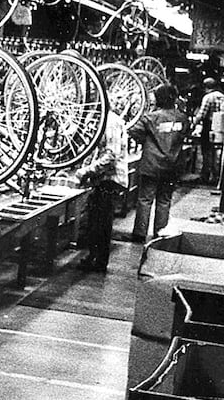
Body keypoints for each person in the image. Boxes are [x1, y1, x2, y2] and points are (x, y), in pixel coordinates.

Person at [128, 83, 189, 242]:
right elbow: (184, 134)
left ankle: (140, 234)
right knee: (164, 200)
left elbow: (133, 131)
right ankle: (160, 234)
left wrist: (147, 142)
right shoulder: (182, 118)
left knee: (145, 199)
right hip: (172, 165)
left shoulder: (151, 117)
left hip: (151, 164)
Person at [73, 107, 129, 272]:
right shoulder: (105, 119)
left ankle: (99, 262)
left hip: (110, 179)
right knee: (96, 221)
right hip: (104, 179)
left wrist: (87, 171)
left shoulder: (110, 122)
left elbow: (110, 156)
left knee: (101, 223)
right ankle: (94, 258)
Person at [193, 77, 224, 184]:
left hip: (209, 127)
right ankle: (216, 176)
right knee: (218, 152)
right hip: (221, 128)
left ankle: (206, 176)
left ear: (205, 87)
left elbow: (202, 114)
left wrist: (193, 124)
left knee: (206, 152)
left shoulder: (208, 97)